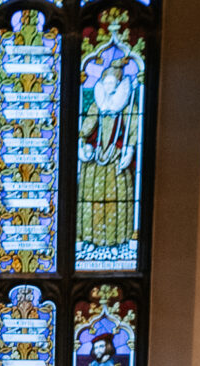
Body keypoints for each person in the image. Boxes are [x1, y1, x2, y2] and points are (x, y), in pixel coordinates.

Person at [76, 60, 139, 253]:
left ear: (119, 85)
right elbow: (88, 125)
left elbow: (133, 131)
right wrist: (81, 141)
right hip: (97, 157)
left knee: (116, 198)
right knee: (91, 197)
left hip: (116, 159)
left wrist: (128, 149)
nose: (109, 87)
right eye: (106, 83)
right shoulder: (98, 105)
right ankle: (90, 239)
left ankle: (116, 240)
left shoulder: (128, 108)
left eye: (113, 83)